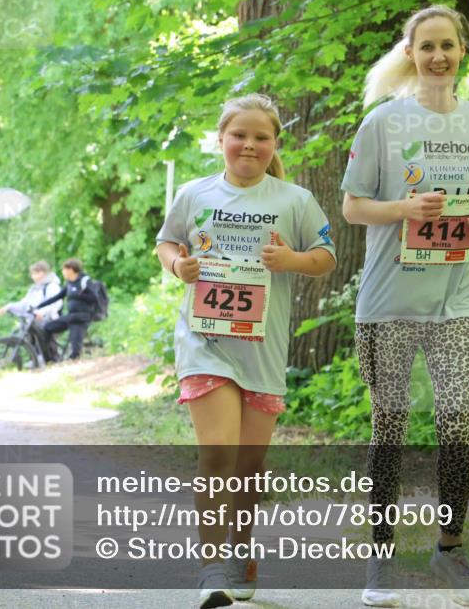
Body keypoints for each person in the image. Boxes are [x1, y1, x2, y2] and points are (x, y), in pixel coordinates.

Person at [342, 4, 469, 607]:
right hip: (388, 301)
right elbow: (355, 206)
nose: (438, 55)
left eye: (448, 45)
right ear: (410, 53)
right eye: (426, 45)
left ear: (462, 52)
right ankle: (380, 562)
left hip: (456, 296)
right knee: (389, 425)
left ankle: (450, 551)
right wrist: (403, 210)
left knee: (458, 423)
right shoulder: (383, 122)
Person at [156, 93, 336, 609]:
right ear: (221, 139)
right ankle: (212, 570)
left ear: (275, 143)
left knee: (249, 467)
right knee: (218, 454)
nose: (249, 145)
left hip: (262, 349)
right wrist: (178, 268)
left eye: (261, 137)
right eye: (240, 135)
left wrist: (291, 259)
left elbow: (326, 256)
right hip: (204, 343)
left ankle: (240, 550)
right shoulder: (194, 194)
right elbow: (166, 242)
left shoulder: (294, 200)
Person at [35, 258, 98, 361]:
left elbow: (94, 297)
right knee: (47, 328)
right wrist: (39, 306)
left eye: (64, 269)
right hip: (70, 316)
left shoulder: (84, 281)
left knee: (75, 353)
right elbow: (58, 297)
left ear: (71, 269)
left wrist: (80, 295)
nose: (63, 272)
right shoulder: (69, 283)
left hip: (81, 318)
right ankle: (51, 355)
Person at [0, 260, 62, 361]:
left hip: (49, 318)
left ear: (42, 273)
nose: (32, 276)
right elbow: (25, 304)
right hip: (34, 319)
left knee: (42, 332)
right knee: (25, 330)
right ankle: (35, 359)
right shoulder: (34, 288)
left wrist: (42, 312)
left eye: (34, 273)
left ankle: (52, 358)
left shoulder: (52, 286)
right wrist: (9, 307)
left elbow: (56, 303)